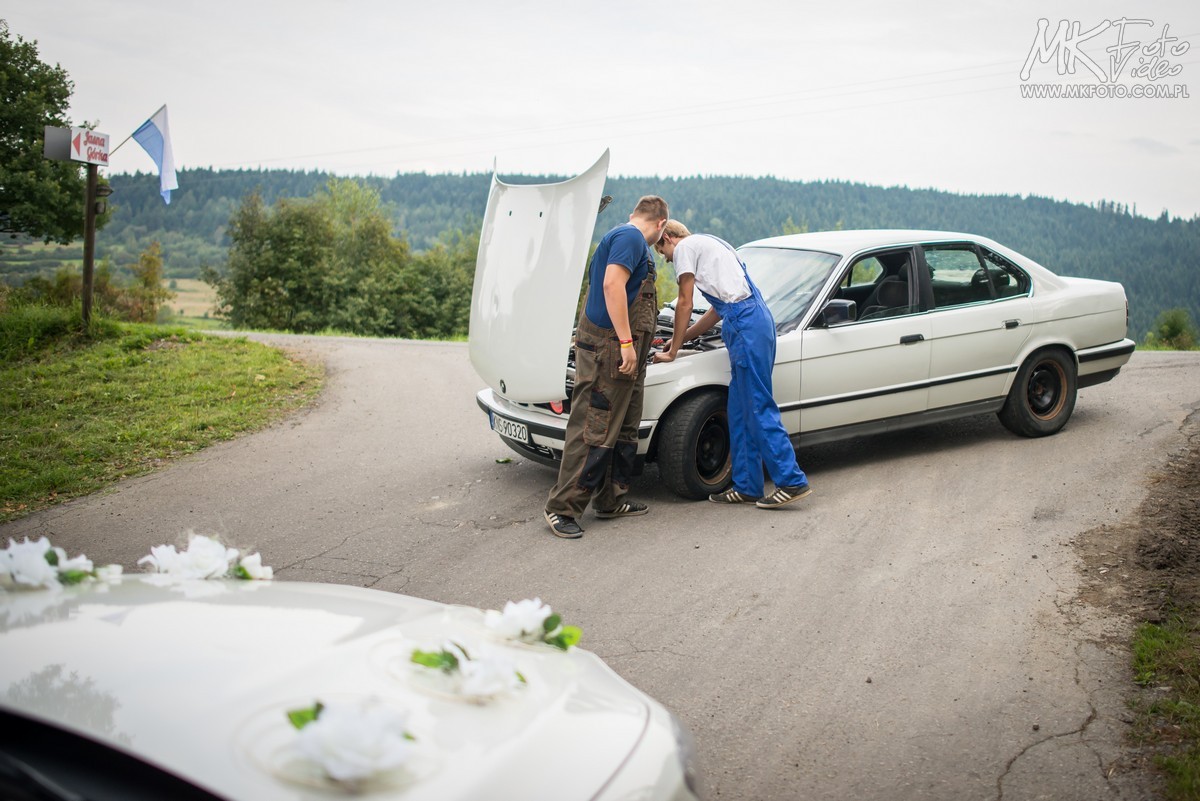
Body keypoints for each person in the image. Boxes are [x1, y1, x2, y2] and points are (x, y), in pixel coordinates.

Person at [653, 220, 811, 509]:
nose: (665, 258)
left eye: (662, 250)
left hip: (745, 326)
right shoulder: (713, 245)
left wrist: (673, 350)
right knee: (739, 410)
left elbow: (685, 302)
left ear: (668, 237)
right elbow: (716, 310)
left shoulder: (686, 247)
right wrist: (685, 337)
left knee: (757, 405)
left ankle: (791, 481)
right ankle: (747, 485)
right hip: (750, 320)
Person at [543, 196, 670, 539]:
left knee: (624, 427)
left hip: (625, 352)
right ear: (660, 225)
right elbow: (612, 285)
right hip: (610, 349)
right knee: (593, 428)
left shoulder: (625, 239)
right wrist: (627, 343)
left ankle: (611, 499)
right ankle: (561, 509)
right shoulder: (630, 238)